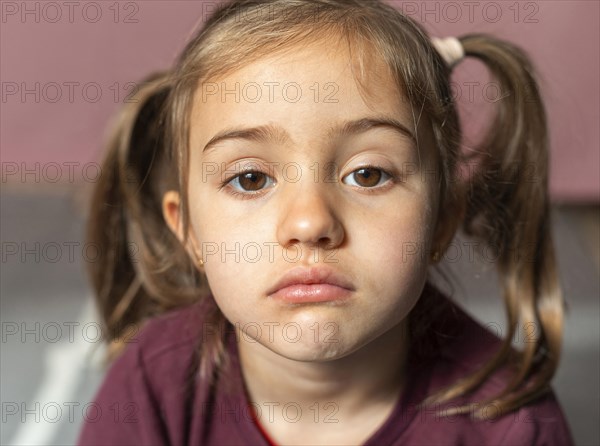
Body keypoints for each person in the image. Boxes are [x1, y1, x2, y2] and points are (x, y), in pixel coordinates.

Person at [78, 0, 574, 444]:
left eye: (367, 173)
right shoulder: (149, 386)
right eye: (250, 179)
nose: (310, 221)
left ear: (441, 219)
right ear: (188, 230)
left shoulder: (514, 426)